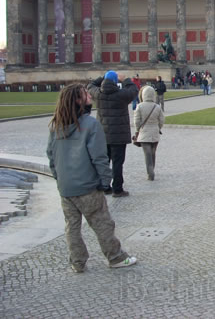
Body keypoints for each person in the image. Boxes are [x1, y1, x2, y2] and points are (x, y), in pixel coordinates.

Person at [46, 84, 137, 272]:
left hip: (66, 187)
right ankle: (115, 257)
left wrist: (59, 179)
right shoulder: (90, 124)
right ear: (78, 101)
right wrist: (105, 182)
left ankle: (77, 262)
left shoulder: (56, 124)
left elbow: (51, 156)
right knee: (102, 223)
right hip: (87, 185)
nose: (90, 96)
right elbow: (99, 157)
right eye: (85, 94)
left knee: (72, 227)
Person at [87, 70, 138, 197]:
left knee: (104, 161)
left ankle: (105, 186)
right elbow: (133, 90)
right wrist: (125, 79)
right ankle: (118, 189)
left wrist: (102, 77)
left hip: (103, 135)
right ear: (116, 82)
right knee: (117, 163)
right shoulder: (121, 95)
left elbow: (90, 85)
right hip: (119, 135)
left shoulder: (98, 95)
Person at [133, 86, 165, 181]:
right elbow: (162, 120)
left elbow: (136, 121)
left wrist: (137, 129)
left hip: (144, 132)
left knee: (147, 154)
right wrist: (158, 127)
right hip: (154, 132)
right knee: (153, 152)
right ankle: (152, 170)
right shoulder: (157, 107)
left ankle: (150, 173)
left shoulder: (140, 106)